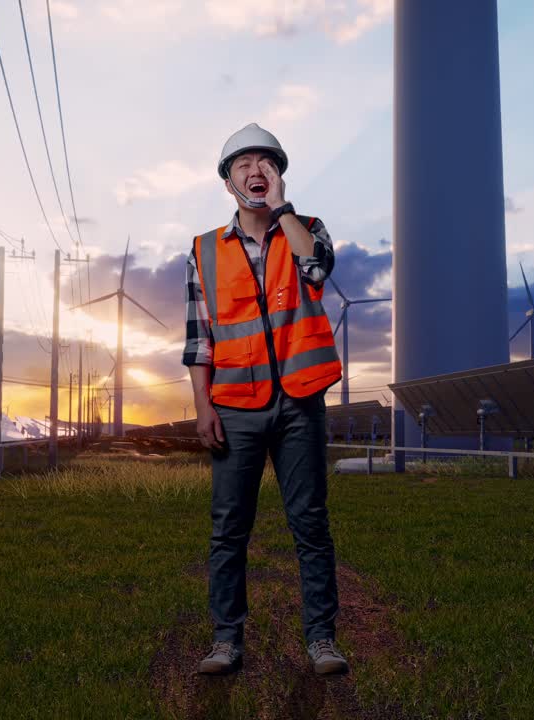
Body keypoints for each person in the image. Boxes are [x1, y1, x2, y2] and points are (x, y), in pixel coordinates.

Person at [183, 123, 349, 676]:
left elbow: (318, 270)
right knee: (229, 528)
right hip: (235, 407)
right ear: (227, 181)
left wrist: (283, 212)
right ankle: (226, 640)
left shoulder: (307, 228)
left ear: (278, 173)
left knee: (310, 522)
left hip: (299, 403)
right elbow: (199, 338)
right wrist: (204, 407)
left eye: (266, 163)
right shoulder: (203, 251)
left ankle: (322, 639)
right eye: (243, 164)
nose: (256, 172)